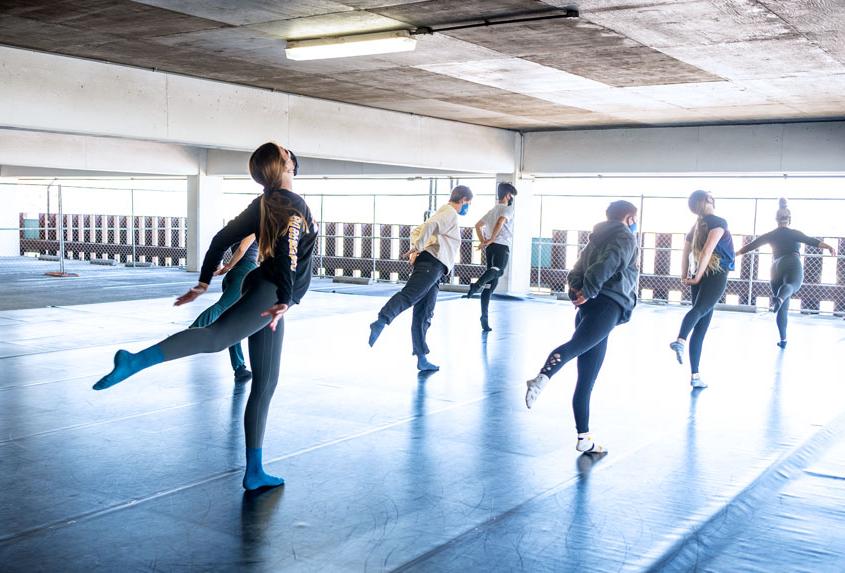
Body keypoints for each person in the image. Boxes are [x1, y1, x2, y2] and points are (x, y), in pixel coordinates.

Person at [93, 143, 317, 491]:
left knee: (266, 382)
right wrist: (286, 298)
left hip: (268, 290)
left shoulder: (263, 203)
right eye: (288, 151)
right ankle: (134, 360)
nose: (292, 152)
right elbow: (289, 253)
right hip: (272, 294)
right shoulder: (293, 206)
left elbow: (220, 239)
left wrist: (203, 281)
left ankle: (255, 471)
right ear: (285, 163)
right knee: (217, 337)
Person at [524, 200, 639, 455]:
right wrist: (588, 290)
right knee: (574, 351)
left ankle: (584, 437)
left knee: (587, 378)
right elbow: (609, 262)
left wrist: (577, 291)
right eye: (635, 219)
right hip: (608, 306)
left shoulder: (595, 239)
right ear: (629, 217)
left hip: (591, 307)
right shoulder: (625, 238)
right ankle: (542, 377)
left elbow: (577, 269)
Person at [368, 185, 473, 372]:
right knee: (410, 295)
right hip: (431, 265)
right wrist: (417, 247)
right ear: (463, 200)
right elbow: (429, 227)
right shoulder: (449, 212)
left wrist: (418, 245)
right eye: (468, 204)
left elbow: (419, 229)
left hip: (436, 269)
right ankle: (381, 320)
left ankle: (421, 358)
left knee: (424, 313)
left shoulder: (444, 212)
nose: (468, 208)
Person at [736, 198, 836, 348]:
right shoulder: (794, 233)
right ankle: (780, 299)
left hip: (775, 266)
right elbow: (811, 241)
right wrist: (828, 246)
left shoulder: (771, 234)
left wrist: (734, 254)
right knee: (792, 285)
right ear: (789, 219)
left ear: (776, 220)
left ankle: (783, 340)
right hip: (791, 261)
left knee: (782, 307)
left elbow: (751, 246)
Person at [669, 190, 735, 389]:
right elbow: (707, 249)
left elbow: (686, 251)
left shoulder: (696, 226)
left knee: (701, 323)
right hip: (715, 272)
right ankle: (680, 339)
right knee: (699, 311)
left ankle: (695, 376)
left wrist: (685, 274)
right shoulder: (718, 222)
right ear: (708, 201)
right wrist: (696, 276)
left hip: (700, 272)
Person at [189, 233, 258, 384]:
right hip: (244, 274)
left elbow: (222, 246)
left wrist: (223, 266)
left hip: (234, 276)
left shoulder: (241, 228)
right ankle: (191, 332)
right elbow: (241, 250)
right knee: (222, 308)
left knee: (233, 322)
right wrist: (227, 267)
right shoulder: (254, 229)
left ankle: (240, 368)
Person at [464, 182, 517, 331]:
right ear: (507, 195)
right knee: (499, 270)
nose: (511, 198)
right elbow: (501, 221)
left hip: (491, 248)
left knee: (491, 284)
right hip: (501, 246)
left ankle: (484, 318)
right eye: (511, 195)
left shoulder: (492, 210)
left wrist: (484, 242)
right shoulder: (508, 209)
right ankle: (477, 284)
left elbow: (477, 225)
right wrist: (492, 238)